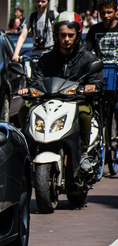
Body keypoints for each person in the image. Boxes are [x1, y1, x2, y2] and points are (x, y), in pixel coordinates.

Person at [18, 12, 103, 175]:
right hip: (48, 102)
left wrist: (92, 86)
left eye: (70, 35)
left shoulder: (88, 59)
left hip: (77, 102)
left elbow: (97, 81)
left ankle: (84, 152)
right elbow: (37, 80)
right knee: (25, 111)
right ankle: (26, 152)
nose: (66, 39)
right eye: (62, 35)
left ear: (77, 35)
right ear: (56, 36)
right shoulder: (46, 59)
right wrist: (29, 89)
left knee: (85, 115)